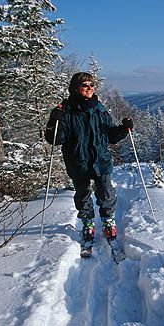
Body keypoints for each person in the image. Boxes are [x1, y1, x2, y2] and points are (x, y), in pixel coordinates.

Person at [45, 72, 134, 245]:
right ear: (75, 87)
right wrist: (53, 122)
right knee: (83, 195)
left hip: (101, 160)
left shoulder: (99, 108)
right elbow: (55, 139)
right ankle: (88, 223)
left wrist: (124, 129)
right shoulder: (66, 110)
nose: (90, 88)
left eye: (92, 85)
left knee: (106, 192)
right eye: (85, 85)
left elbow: (110, 135)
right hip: (78, 161)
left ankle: (108, 222)